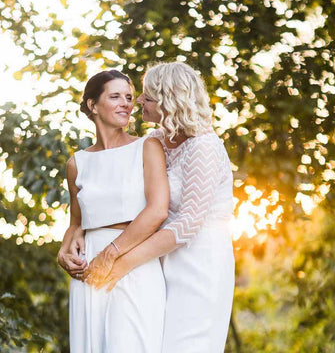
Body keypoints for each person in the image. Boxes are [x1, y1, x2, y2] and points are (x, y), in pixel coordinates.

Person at [83, 62, 235, 353]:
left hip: (200, 261)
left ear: (169, 101)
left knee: (187, 344)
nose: (138, 100)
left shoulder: (204, 146)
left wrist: (120, 262)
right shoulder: (155, 140)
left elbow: (188, 224)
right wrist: (80, 230)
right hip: (159, 259)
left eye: (147, 97)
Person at [57, 69, 169, 353]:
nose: (126, 103)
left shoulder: (148, 146)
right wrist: (64, 252)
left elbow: (157, 211)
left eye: (129, 97)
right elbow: (76, 223)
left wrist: (110, 254)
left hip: (133, 261)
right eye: (115, 96)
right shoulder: (77, 163)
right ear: (93, 105)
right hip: (89, 273)